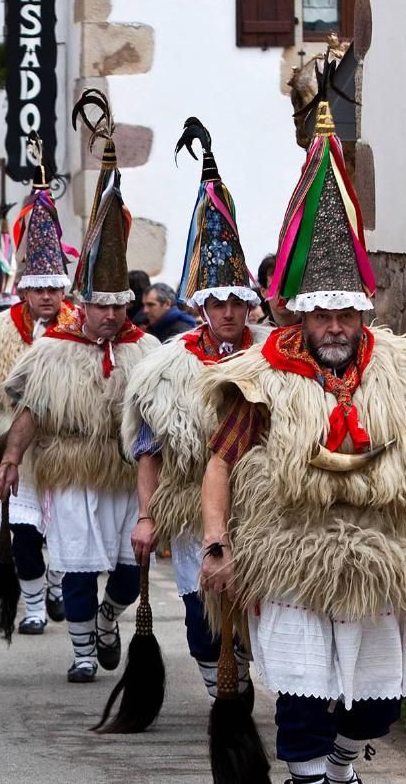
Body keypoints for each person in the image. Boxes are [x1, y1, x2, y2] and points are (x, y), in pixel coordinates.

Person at [199, 99, 406, 784]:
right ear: (300, 312)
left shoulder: (395, 372)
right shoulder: (259, 378)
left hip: (379, 556)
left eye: (346, 314)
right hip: (292, 553)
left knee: (375, 708)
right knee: (303, 699)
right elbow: (220, 461)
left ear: (361, 314)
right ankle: (311, 779)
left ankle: (344, 764)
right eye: (322, 314)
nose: (334, 327)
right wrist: (216, 542)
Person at [0, 89, 155, 682]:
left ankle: (113, 618)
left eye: (119, 305)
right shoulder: (53, 350)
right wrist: (11, 459)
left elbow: (165, 419)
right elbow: (32, 410)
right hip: (72, 473)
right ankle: (84, 651)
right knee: (80, 569)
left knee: (130, 573)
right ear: (81, 303)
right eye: (100, 305)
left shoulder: (148, 351)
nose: (110, 316)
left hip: (127, 474)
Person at [124, 117, 271, 708]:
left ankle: (260, 682)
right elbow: (149, 447)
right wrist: (146, 516)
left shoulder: (273, 356)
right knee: (202, 624)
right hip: (190, 505)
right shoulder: (167, 365)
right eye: (218, 302)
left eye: (238, 301)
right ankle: (224, 700)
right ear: (201, 305)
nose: (229, 312)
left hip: (262, 508)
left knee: (261, 614)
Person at [0, 164, 74, 635]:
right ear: (23, 288)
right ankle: (36, 605)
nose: (47, 296)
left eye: (54, 287)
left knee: (65, 535)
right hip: (12, 448)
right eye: (39, 288)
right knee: (23, 535)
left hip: (66, 449)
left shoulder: (79, 329)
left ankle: (63, 583)